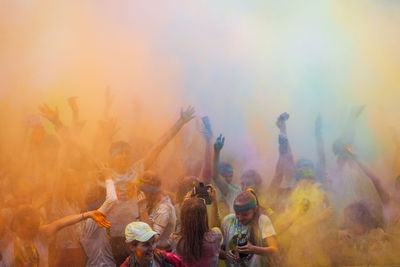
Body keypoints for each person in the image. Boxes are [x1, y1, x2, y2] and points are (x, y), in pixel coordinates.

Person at [105, 106, 195, 264]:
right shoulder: (105, 175)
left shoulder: (136, 170)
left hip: (136, 237)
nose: (124, 156)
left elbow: (158, 146)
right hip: (114, 236)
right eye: (120, 153)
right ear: (112, 157)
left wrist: (180, 122)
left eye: (127, 152)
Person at [8, 205, 109, 267]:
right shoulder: (8, 239)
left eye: (34, 226)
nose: (33, 230)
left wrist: (87, 215)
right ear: (18, 224)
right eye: (29, 227)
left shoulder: (41, 234)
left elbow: (61, 223)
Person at [221, 189, 278, 267]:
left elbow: (274, 250)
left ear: (255, 209)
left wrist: (254, 249)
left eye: (245, 215)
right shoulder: (228, 220)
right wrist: (226, 255)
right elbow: (216, 250)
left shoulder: (262, 221)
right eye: (237, 213)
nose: (240, 218)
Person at [170, 197, 222, 267]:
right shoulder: (215, 238)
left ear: (183, 217)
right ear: (204, 217)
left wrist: (187, 204)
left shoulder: (176, 240)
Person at [136, 171, 176, 250]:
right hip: (150, 252)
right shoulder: (151, 203)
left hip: (161, 256)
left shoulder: (164, 208)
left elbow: (152, 238)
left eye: (140, 191)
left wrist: (142, 209)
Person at [213, 134, 240, 218]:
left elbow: (216, 176)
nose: (228, 179)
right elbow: (216, 176)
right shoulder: (213, 189)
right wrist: (216, 152)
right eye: (224, 176)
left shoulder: (234, 189)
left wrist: (216, 152)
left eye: (230, 176)